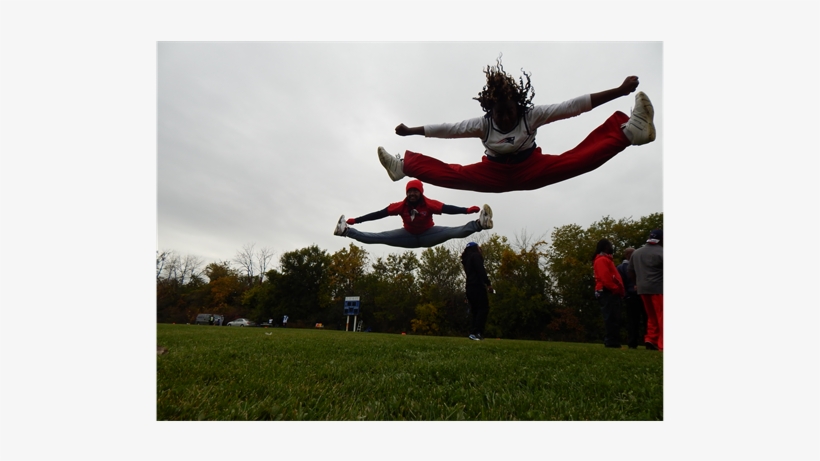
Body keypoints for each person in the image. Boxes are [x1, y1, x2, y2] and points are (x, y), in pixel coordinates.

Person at [376, 58, 655, 193]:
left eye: (510, 112)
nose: (506, 118)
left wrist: (619, 91)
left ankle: (630, 131)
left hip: (532, 168)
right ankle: (402, 167)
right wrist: (411, 130)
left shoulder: (530, 115)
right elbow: (447, 129)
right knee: (453, 174)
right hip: (492, 173)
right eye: (500, 114)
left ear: (518, 107)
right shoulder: (482, 124)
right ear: (490, 110)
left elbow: (573, 107)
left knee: (576, 161)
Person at [333, 179, 493, 248]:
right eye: (410, 191)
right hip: (407, 236)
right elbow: (378, 214)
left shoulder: (429, 203)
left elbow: (447, 209)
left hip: (429, 234)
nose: (412, 194)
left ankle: (480, 224)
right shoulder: (400, 206)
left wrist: (466, 211)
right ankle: (345, 231)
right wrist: (356, 221)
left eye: (415, 191)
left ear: (421, 192)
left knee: (453, 232)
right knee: (379, 237)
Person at [628, 229, 663, 351]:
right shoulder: (662, 252)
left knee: (651, 316)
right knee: (662, 316)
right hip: (659, 289)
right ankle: (662, 343)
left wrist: (636, 283)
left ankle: (651, 339)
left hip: (642, 289)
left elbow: (630, 270)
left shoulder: (636, 253)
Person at [593, 239, 626, 348]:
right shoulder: (602, 260)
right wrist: (615, 288)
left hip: (610, 291)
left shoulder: (606, 260)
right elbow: (605, 277)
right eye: (610, 245)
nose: (612, 247)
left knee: (614, 317)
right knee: (611, 317)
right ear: (605, 247)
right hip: (607, 291)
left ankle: (613, 341)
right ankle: (611, 341)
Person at [461, 242, 493, 341]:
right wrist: (488, 283)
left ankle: (473, 332)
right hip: (477, 286)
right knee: (483, 309)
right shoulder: (476, 256)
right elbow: (481, 270)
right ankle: (477, 332)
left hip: (469, 287)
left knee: (475, 310)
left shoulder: (466, 259)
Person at [617, 247, 647, 349]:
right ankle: (635, 342)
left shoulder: (622, 267)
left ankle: (636, 342)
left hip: (637, 294)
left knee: (636, 320)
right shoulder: (623, 268)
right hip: (633, 295)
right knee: (637, 320)